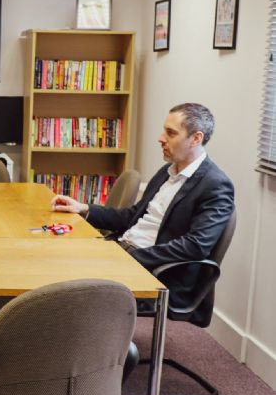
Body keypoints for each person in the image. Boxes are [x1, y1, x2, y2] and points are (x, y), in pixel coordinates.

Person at [51, 103, 235, 326]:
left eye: (171, 133)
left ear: (196, 139)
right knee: (57, 260)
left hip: (159, 273)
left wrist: (133, 258)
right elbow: (132, 217)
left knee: (69, 284)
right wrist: (85, 209)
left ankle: (93, 352)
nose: (161, 138)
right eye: (164, 130)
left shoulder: (215, 185)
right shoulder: (168, 171)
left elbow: (195, 246)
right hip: (126, 251)